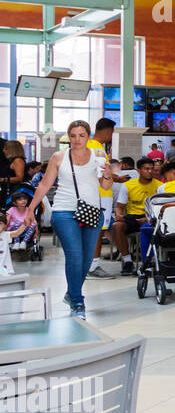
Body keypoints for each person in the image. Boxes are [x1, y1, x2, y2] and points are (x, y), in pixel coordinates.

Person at [23, 121, 115, 318]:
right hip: (64, 211)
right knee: (75, 256)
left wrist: (108, 174)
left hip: (92, 211)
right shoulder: (59, 157)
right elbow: (44, 185)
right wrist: (31, 209)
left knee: (86, 259)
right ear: (68, 137)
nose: (77, 140)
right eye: (73, 135)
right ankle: (77, 302)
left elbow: (106, 187)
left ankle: (71, 293)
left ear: (88, 136)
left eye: (81, 135)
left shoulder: (97, 157)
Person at [111, 158, 160, 276]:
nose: (149, 171)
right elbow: (119, 207)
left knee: (147, 227)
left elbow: (161, 208)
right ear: (138, 171)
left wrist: (148, 218)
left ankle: (149, 262)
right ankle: (127, 261)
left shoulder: (160, 186)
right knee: (117, 226)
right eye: (146, 169)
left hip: (151, 217)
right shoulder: (128, 185)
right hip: (133, 217)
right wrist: (118, 214)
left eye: (151, 169)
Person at [85, 118, 116, 278]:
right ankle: (93, 266)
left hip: (97, 195)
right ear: (108, 131)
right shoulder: (96, 148)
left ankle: (90, 264)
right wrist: (114, 177)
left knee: (95, 230)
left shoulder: (93, 147)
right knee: (96, 231)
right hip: (100, 196)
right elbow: (101, 173)